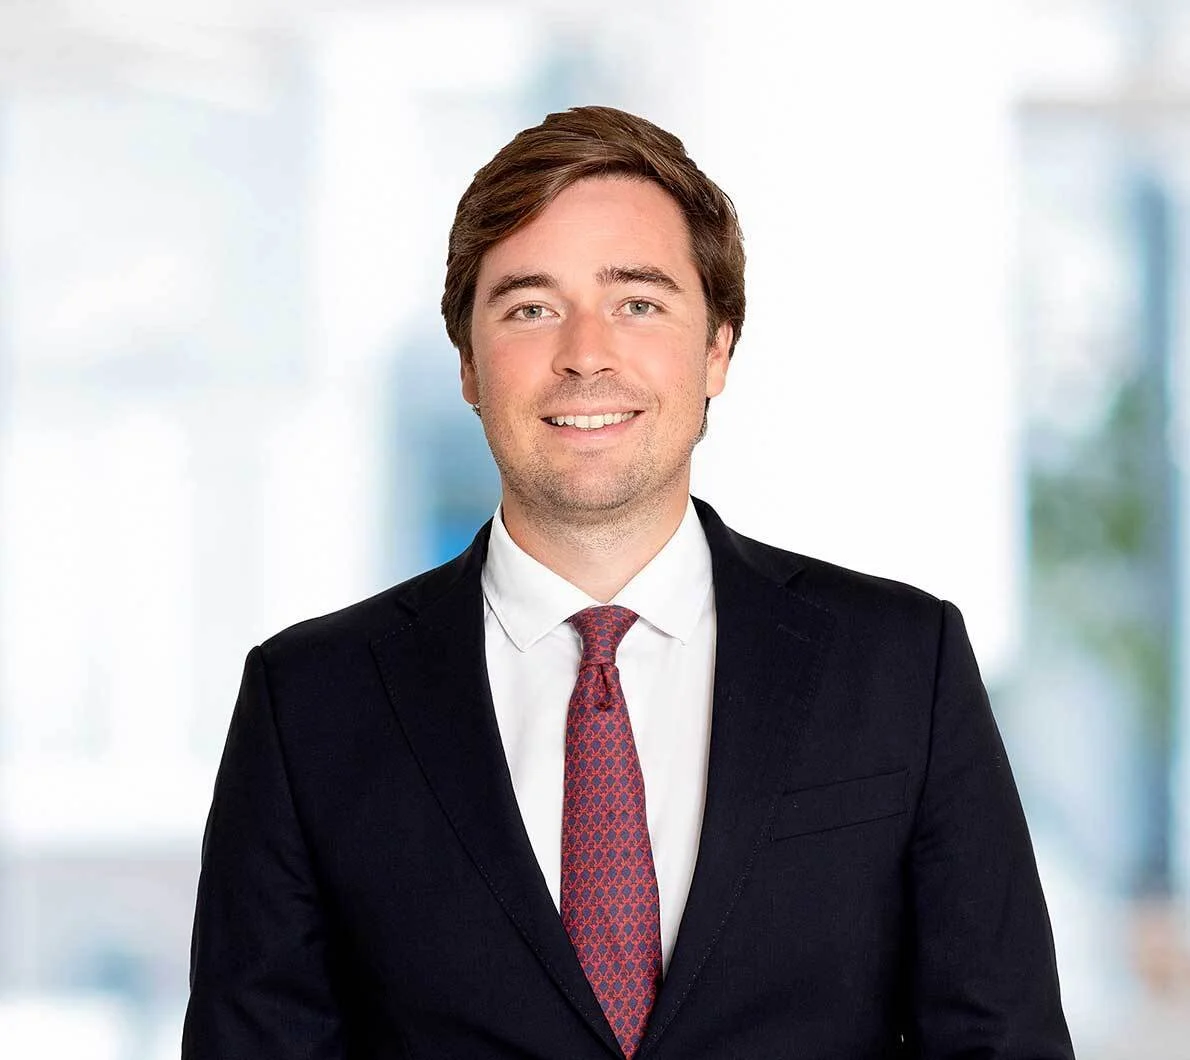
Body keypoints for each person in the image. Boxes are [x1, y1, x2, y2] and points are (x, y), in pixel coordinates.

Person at [182, 105, 1074, 1059]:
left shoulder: (900, 665)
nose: (585, 353)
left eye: (637, 303)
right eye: (530, 308)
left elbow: (1002, 1044)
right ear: (469, 365)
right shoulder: (309, 702)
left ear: (717, 348)